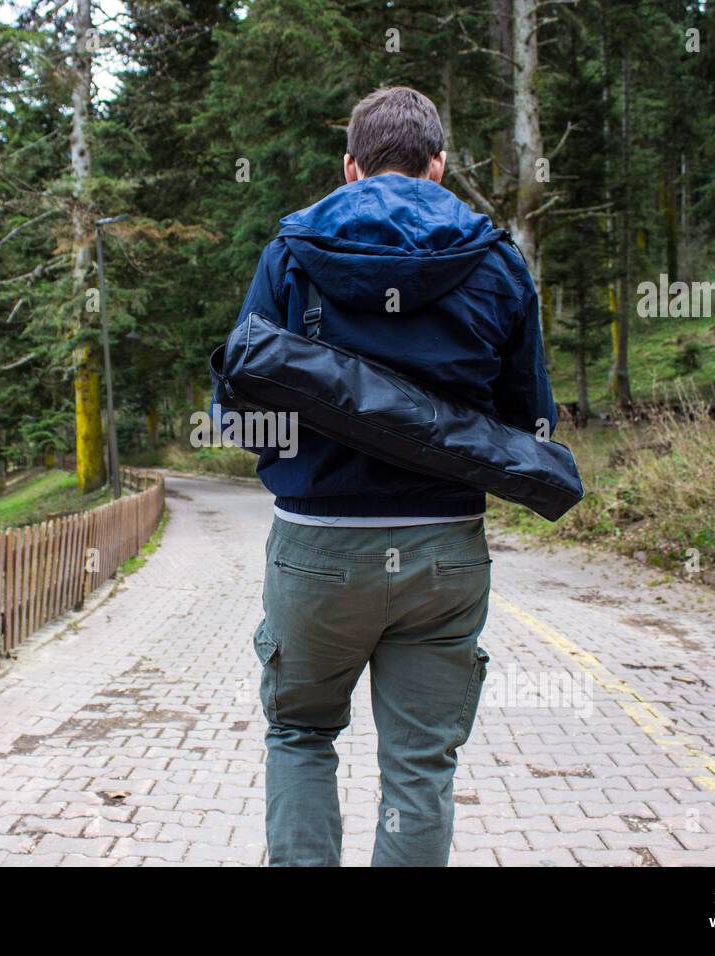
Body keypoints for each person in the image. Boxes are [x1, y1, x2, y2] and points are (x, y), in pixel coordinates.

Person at [224, 86, 556, 866]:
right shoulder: (498, 262)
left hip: (316, 548)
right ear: (438, 165)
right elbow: (529, 421)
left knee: (301, 733)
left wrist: (303, 451)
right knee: (420, 768)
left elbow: (238, 412)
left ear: (350, 167)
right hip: (444, 549)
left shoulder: (290, 255)